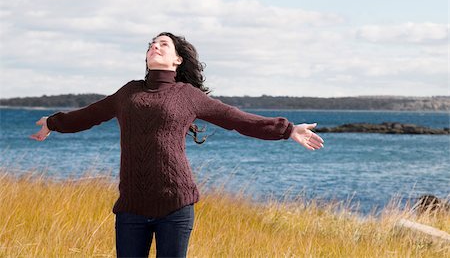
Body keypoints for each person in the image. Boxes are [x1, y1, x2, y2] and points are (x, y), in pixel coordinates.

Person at [30, 32, 325, 258]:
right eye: (151, 45)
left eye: (163, 44)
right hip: (131, 206)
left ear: (177, 60)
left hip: (176, 205)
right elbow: (88, 115)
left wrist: (287, 130)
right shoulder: (127, 93)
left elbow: (237, 119)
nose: (154, 47)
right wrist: (52, 123)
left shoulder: (188, 95)